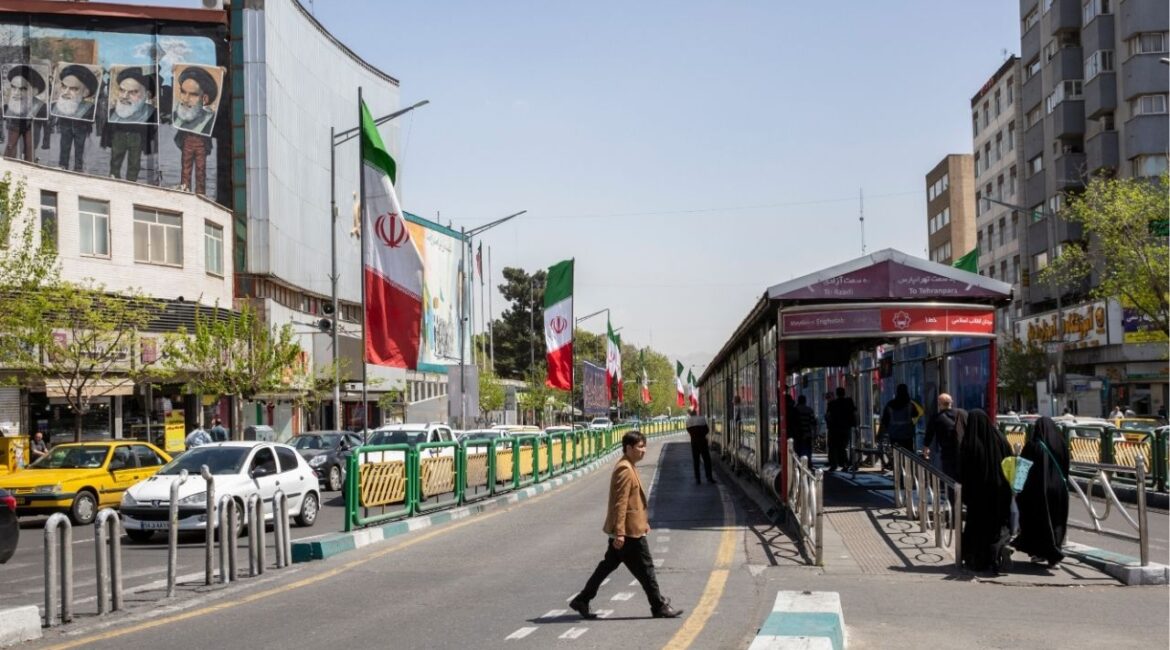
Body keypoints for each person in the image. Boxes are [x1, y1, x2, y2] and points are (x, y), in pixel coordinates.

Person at [569, 430, 683, 620]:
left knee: (608, 566)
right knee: (646, 569)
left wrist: (643, 522)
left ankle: (582, 599)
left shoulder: (629, 465)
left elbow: (633, 502)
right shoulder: (624, 468)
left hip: (631, 529)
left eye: (644, 446)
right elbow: (620, 503)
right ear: (628, 448)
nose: (644, 450)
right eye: (640, 447)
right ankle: (658, 605)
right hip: (629, 533)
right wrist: (620, 533)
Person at [958, 409, 1013, 573]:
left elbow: (963, 471)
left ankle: (977, 560)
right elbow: (1010, 461)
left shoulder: (969, 443)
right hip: (1000, 490)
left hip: (978, 494)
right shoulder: (1001, 439)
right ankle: (997, 552)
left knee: (977, 526)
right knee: (997, 524)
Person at [1013, 416, 1070, 567]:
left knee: (1038, 521)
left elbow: (1022, 469)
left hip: (1037, 491)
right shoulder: (1061, 444)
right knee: (1056, 521)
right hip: (1059, 490)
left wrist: (1016, 489)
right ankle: (1055, 551)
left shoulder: (1032, 445)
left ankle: (1040, 553)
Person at [104, 67, 157, 182]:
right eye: (122, 90)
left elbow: (152, 130)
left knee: (134, 161)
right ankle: (113, 178)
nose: (124, 96)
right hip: (119, 134)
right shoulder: (113, 112)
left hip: (136, 136)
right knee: (115, 158)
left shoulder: (151, 112)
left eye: (133, 92)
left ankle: (131, 181)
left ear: (147, 94)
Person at [172, 66, 217, 195]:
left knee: (200, 170)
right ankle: (185, 191)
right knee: (185, 170)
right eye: (183, 92)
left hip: (201, 144)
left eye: (193, 94)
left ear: (205, 99)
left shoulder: (209, 118)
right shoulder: (179, 115)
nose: (186, 99)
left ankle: (200, 194)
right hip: (187, 142)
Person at [51, 64, 98, 171]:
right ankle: (63, 165)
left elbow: (94, 118)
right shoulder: (56, 105)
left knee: (80, 148)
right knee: (64, 146)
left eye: (73, 89)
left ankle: (78, 168)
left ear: (85, 92)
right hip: (65, 125)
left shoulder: (89, 108)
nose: (66, 92)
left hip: (80, 127)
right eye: (64, 86)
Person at [3, 64, 48, 162]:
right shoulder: (8, 104)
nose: (16, 93)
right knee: (10, 147)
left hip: (31, 127)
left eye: (23, 89)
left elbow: (46, 124)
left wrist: (46, 140)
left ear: (35, 91)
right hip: (14, 125)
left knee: (29, 149)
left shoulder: (41, 107)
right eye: (13, 87)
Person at [923, 393, 966, 481]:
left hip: (947, 452)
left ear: (939, 404)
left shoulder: (936, 418)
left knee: (950, 476)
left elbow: (929, 434)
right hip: (963, 450)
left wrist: (926, 447)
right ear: (951, 402)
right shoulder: (962, 413)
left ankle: (952, 493)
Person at [880, 383, 923, 456]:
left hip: (894, 434)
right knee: (908, 453)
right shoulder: (910, 404)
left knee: (896, 453)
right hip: (907, 434)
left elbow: (885, 419)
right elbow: (916, 414)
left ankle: (897, 466)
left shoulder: (890, 404)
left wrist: (882, 433)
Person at [824, 387, 857, 472]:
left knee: (832, 447)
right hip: (846, 428)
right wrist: (854, 424)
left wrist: (829, 424)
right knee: (843, 447)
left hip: (834, 429)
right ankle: (845, 464)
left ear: (837, 394)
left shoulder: (832, 404)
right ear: (844, 393)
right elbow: (854, 413)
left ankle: (833, 464)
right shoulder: (849, 402)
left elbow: (828, 416)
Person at [685, 408, 714, 484]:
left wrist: (694, 435)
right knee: (706, 459)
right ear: (696, 413)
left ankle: (698, 479)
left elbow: (688, 430)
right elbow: (707, 430)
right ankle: (709, 477)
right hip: (702, 441)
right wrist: (702, 435)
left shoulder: (688, 421)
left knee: (696, 460)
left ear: (690, 414)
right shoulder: (701, 419)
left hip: (694, 441)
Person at [791, 395, 817, 462]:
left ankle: (798, 463)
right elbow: (813, 423)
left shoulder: (795, 410)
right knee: (807, 449)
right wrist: (815, 433)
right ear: (805, 401)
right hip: (808, 433)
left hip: (798, 434)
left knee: (798, 449)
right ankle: (808, 463)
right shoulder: (809, 410)